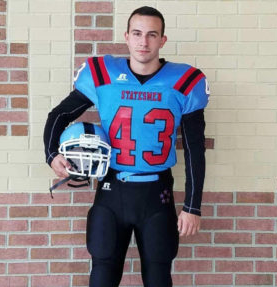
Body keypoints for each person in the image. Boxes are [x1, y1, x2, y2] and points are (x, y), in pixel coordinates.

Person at [43, 6, 209, 287]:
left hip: (157, 193)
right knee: (102, 277)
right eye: (137, 33)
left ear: (162, 40)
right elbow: (58, 116)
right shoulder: (104, 75)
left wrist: (193, 206)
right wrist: (51, 155)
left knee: (158, 279)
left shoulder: (183, 83)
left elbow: (194, 149)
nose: (144, 42)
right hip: (112, 191)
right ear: (127, 37)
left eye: (152, 35)